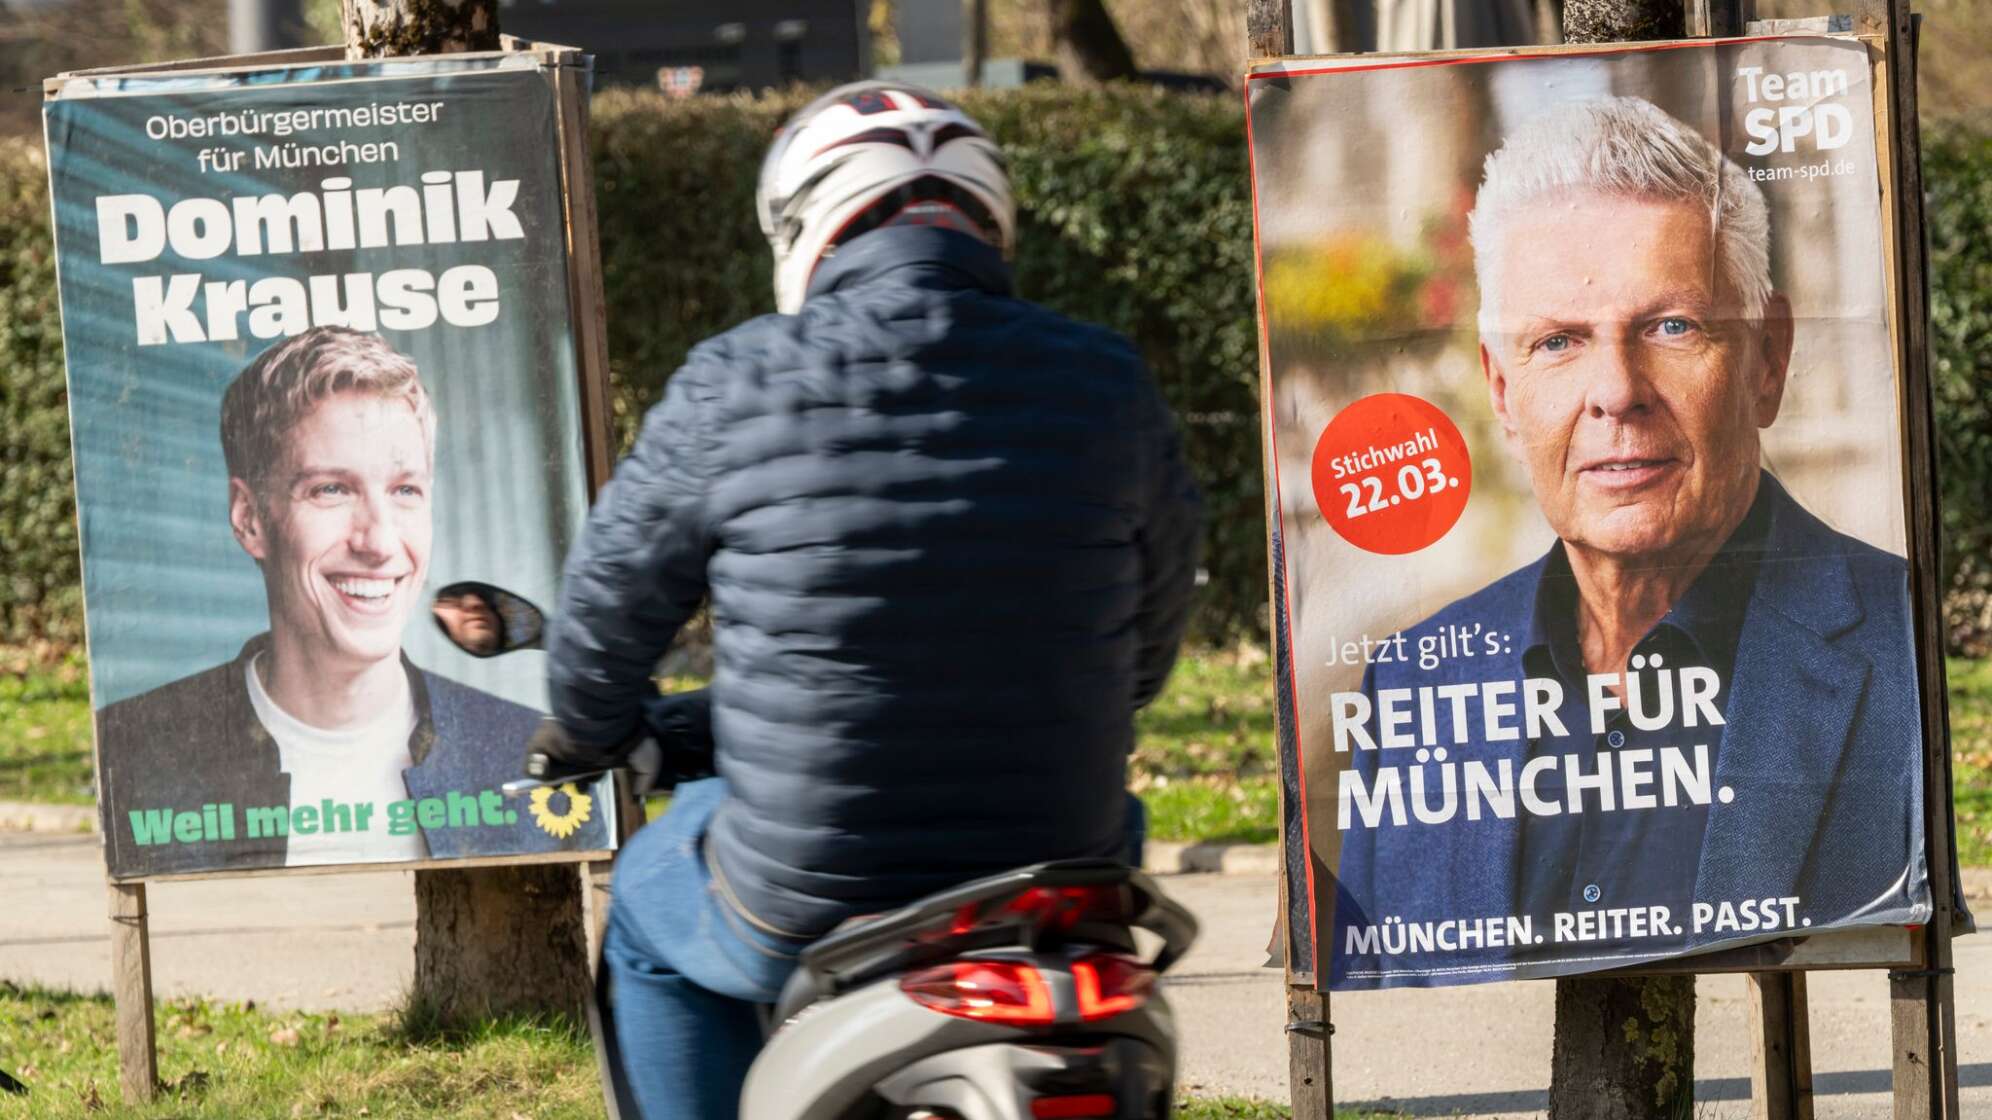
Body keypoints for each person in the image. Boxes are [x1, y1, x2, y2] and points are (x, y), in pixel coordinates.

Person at [537, 81, 1204, 1116]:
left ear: (806, 225)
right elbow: (1146, 653)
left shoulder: (733, 380)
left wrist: (589, 730)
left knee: (643, 908)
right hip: (1061, 876)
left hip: (806, 895)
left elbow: (599, 630)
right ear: (990, 222)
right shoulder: (1107, 379)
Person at [1331, 96, 1926, 987]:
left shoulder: (1895, 641)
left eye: (1671, 327)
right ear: (1501, 389)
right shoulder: (1416, 683)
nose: (1616, 391)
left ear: (1768, 361)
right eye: (1559, 342)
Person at [96, 327, 610, 876]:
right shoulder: (136, 752)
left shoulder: (533, 756)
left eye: (404, 491)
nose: (380, 542)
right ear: (250, 518)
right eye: (331, 490)